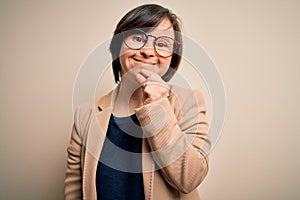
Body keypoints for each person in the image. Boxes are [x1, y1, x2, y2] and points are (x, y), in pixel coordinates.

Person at [65, 4, 210, 200]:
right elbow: (75, 190)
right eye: (138, 38)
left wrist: (158, 105)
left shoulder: (189, 101)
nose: (148, 52)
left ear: (172, 57)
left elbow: (189, 179)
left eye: (162, 44)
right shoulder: (86, 114)